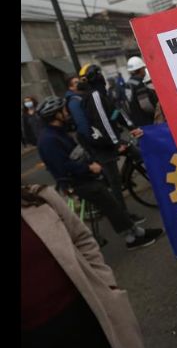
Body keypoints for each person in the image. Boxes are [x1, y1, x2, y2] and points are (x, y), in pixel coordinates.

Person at [21, 184, 153, 348]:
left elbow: (82, 239)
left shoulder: (40, 198)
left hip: (83, 318)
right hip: (34, 343)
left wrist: (106, 284)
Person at [35, 96, 163, 250]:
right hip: (78, 182)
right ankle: (131, 239)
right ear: (55, 115)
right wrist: (89, 168)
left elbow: (76, 154)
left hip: (86, 176)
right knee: (111, 206)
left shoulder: (57, 133)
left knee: (113, 204)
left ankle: (137, 232)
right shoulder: (49, 139)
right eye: (62, 110)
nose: (66, 112)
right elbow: (62, 166)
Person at [77, 63, 144, 223]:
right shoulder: (94, 95)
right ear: (96, 77)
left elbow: (116, 111)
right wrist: (115, 143)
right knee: (115, 184)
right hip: (102, 146)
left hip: (107, 141)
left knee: (135, 154)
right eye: (100, 74)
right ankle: (125, 220)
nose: (103, 77)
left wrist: (131, 126)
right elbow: (103, 121)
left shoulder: (101, 93)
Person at [125, 56, 159, 127]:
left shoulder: (128, 84)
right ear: (140, 70)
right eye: (143, 68)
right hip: (147, 122)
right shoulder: (139, 84)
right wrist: (157, 112)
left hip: (137, 122)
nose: (144, 70)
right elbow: (146, 106)